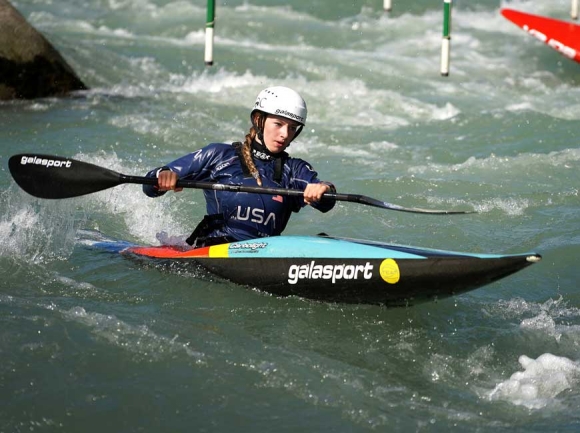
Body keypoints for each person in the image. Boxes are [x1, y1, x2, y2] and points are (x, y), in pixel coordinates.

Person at [143, 86, 336, 248]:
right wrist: (163, 176)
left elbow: (327, 202)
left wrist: (322, 190)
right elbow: (149, 186)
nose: (285, 134)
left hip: (265, 254)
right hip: (215, 250)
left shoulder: (294, 169)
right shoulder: (219, 155)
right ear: (258, 119)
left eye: (292, 128)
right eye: (278, 124)